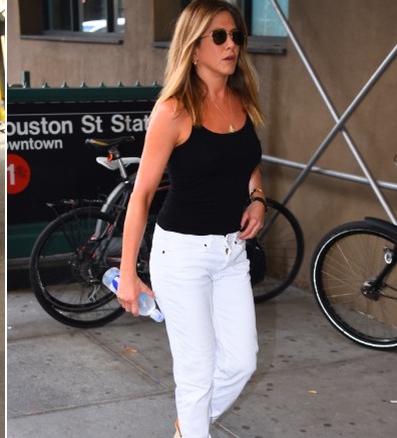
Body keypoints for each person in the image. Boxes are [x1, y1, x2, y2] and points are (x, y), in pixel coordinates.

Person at [116, 1, 265, 437]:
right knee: (197, 374)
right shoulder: (174, 111)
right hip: (181, 256)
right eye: (219, 36)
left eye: (236, 35)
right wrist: (128, 272)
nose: (231, 44)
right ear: (193, 47)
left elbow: (247, 160)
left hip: (230, 252)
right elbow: (141, 195)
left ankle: (188, 427)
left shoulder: (242, 99)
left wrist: (257, 197)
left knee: (242, 361)